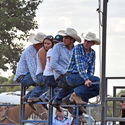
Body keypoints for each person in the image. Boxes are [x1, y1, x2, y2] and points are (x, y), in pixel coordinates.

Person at [65, 32, 100, 106]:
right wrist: (87, 79)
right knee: (98, 81)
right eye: (85, 41)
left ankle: (76, 106)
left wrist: (89, 79)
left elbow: (91, 68)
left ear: (92, 43)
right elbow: (79, 65)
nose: (86, 43)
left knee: (98, 88)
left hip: (81, 76)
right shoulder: (78, 48)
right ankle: (74, 95)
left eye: (89, 42)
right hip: (72, 75)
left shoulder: (93, 52)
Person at [50, 28, 81, 108]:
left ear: (72, 40)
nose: (64, 39)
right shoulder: (58, 47)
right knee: (80, 84)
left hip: (69, 76)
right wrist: (65, 72)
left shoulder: (76, 50)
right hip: (61, 76)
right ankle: (66, 100)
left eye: (66, 38)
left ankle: (56, 100)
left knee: (81, 82)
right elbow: (53, 64)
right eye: (64, 37)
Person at [27, 35, 54, 102]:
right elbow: (44, 66)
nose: (46, 45)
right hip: (41, 74)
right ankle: (35, 97)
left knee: (44, 86)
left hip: (42, 73)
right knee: (50, 84)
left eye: (48, 44)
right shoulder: (42, 51)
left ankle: (28, 96)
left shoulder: (47, 51)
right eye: (45, 43)